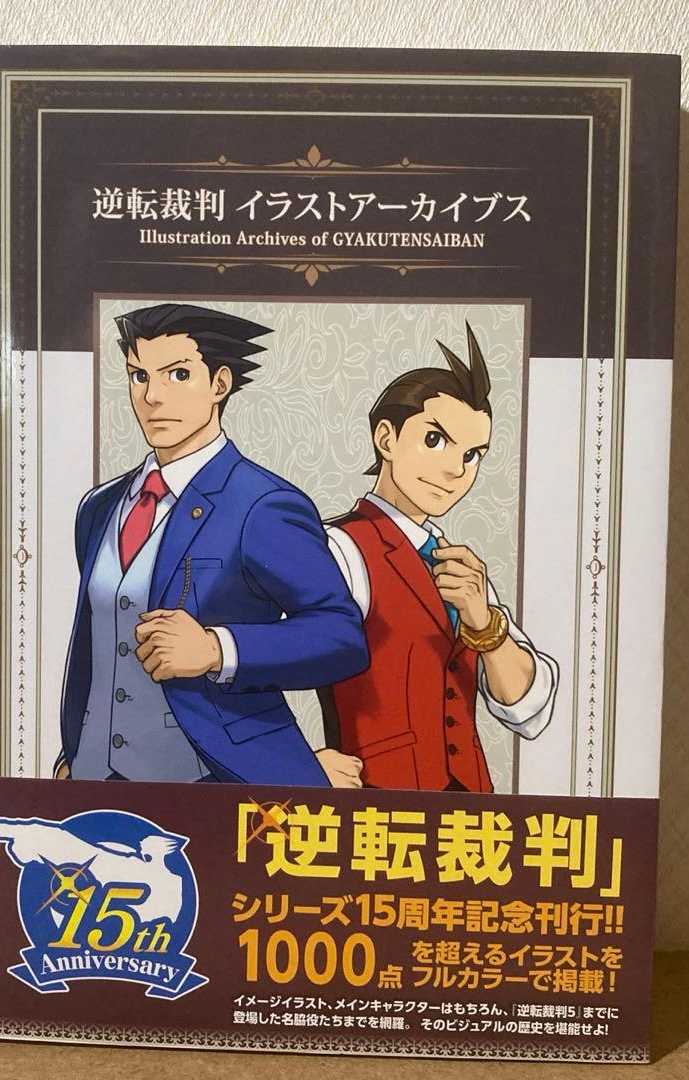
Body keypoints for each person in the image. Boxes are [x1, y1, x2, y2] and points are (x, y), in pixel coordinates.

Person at [55, 303, 368, 786]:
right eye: (139, 376)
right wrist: (73, 755)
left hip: (213, 777)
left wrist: (216, 648)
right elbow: (93, 645)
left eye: (178, 374)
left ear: (220, 384)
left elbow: (341, 635)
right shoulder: (99, 507)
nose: (153, 396)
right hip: (95, 777)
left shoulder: (263, 504)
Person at [321, 322, 558, 791]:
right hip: (375, 804)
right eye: (435, 440)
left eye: (473, 455)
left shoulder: (460, 566)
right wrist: (298, 763)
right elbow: (250, 660)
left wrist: (483, 623)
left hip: (470, 809)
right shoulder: (338, 549)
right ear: (386, 439)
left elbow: (527, 711)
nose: (455, 470)